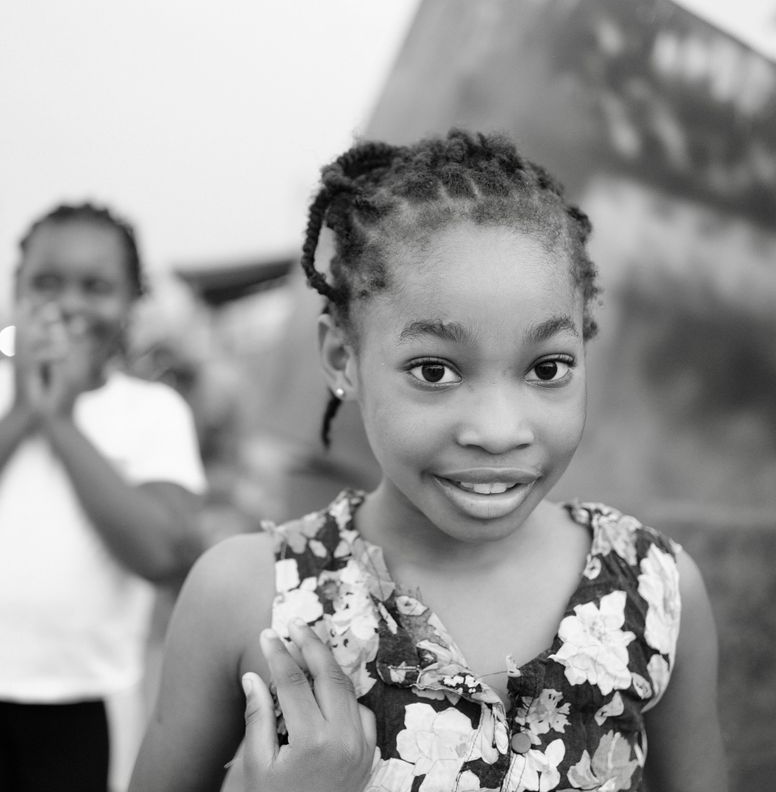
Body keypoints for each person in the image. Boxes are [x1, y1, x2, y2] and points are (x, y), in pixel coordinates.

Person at [129, 130, 727, 792]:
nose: (500, 431)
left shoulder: (654, 591)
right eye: (435, 370)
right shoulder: (249, 597)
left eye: (547, 367)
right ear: (341, 359)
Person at [0, 202, 207, 791]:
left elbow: (161, 553)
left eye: (96, 286)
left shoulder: (151, 412)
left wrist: (61, 423)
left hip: (84, 701)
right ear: (15, 289)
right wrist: (21, 413)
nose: (68, 303)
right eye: (45, 282)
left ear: (132, 301)